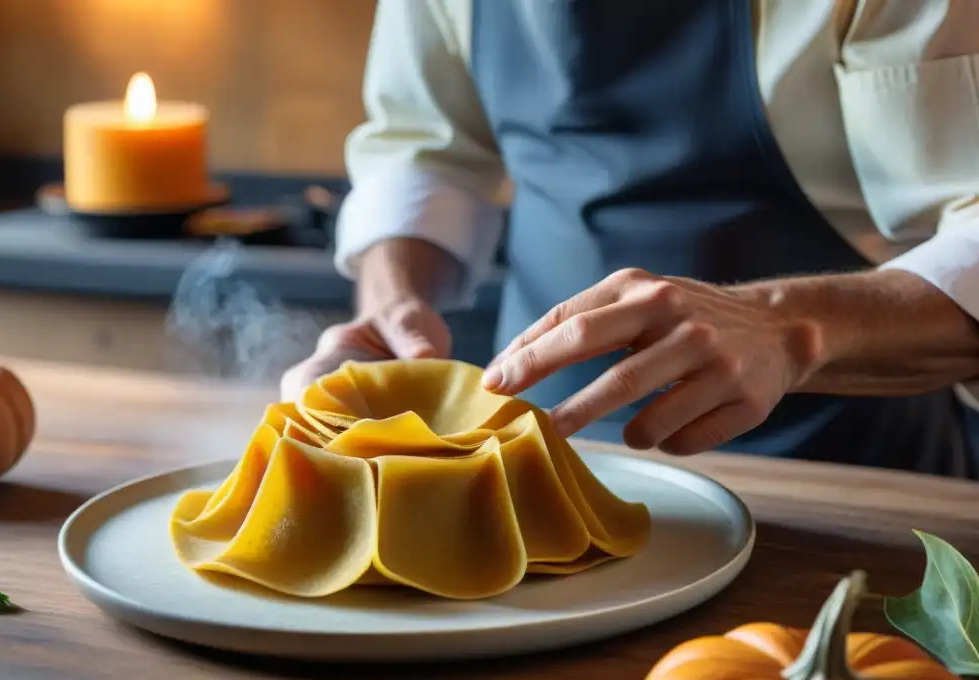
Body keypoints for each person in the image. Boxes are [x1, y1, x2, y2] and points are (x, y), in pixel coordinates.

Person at [281, 0, 979, 478]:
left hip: (845, 476)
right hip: (535, 464)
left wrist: (785, 331)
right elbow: (425, 149)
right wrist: (389, 307)